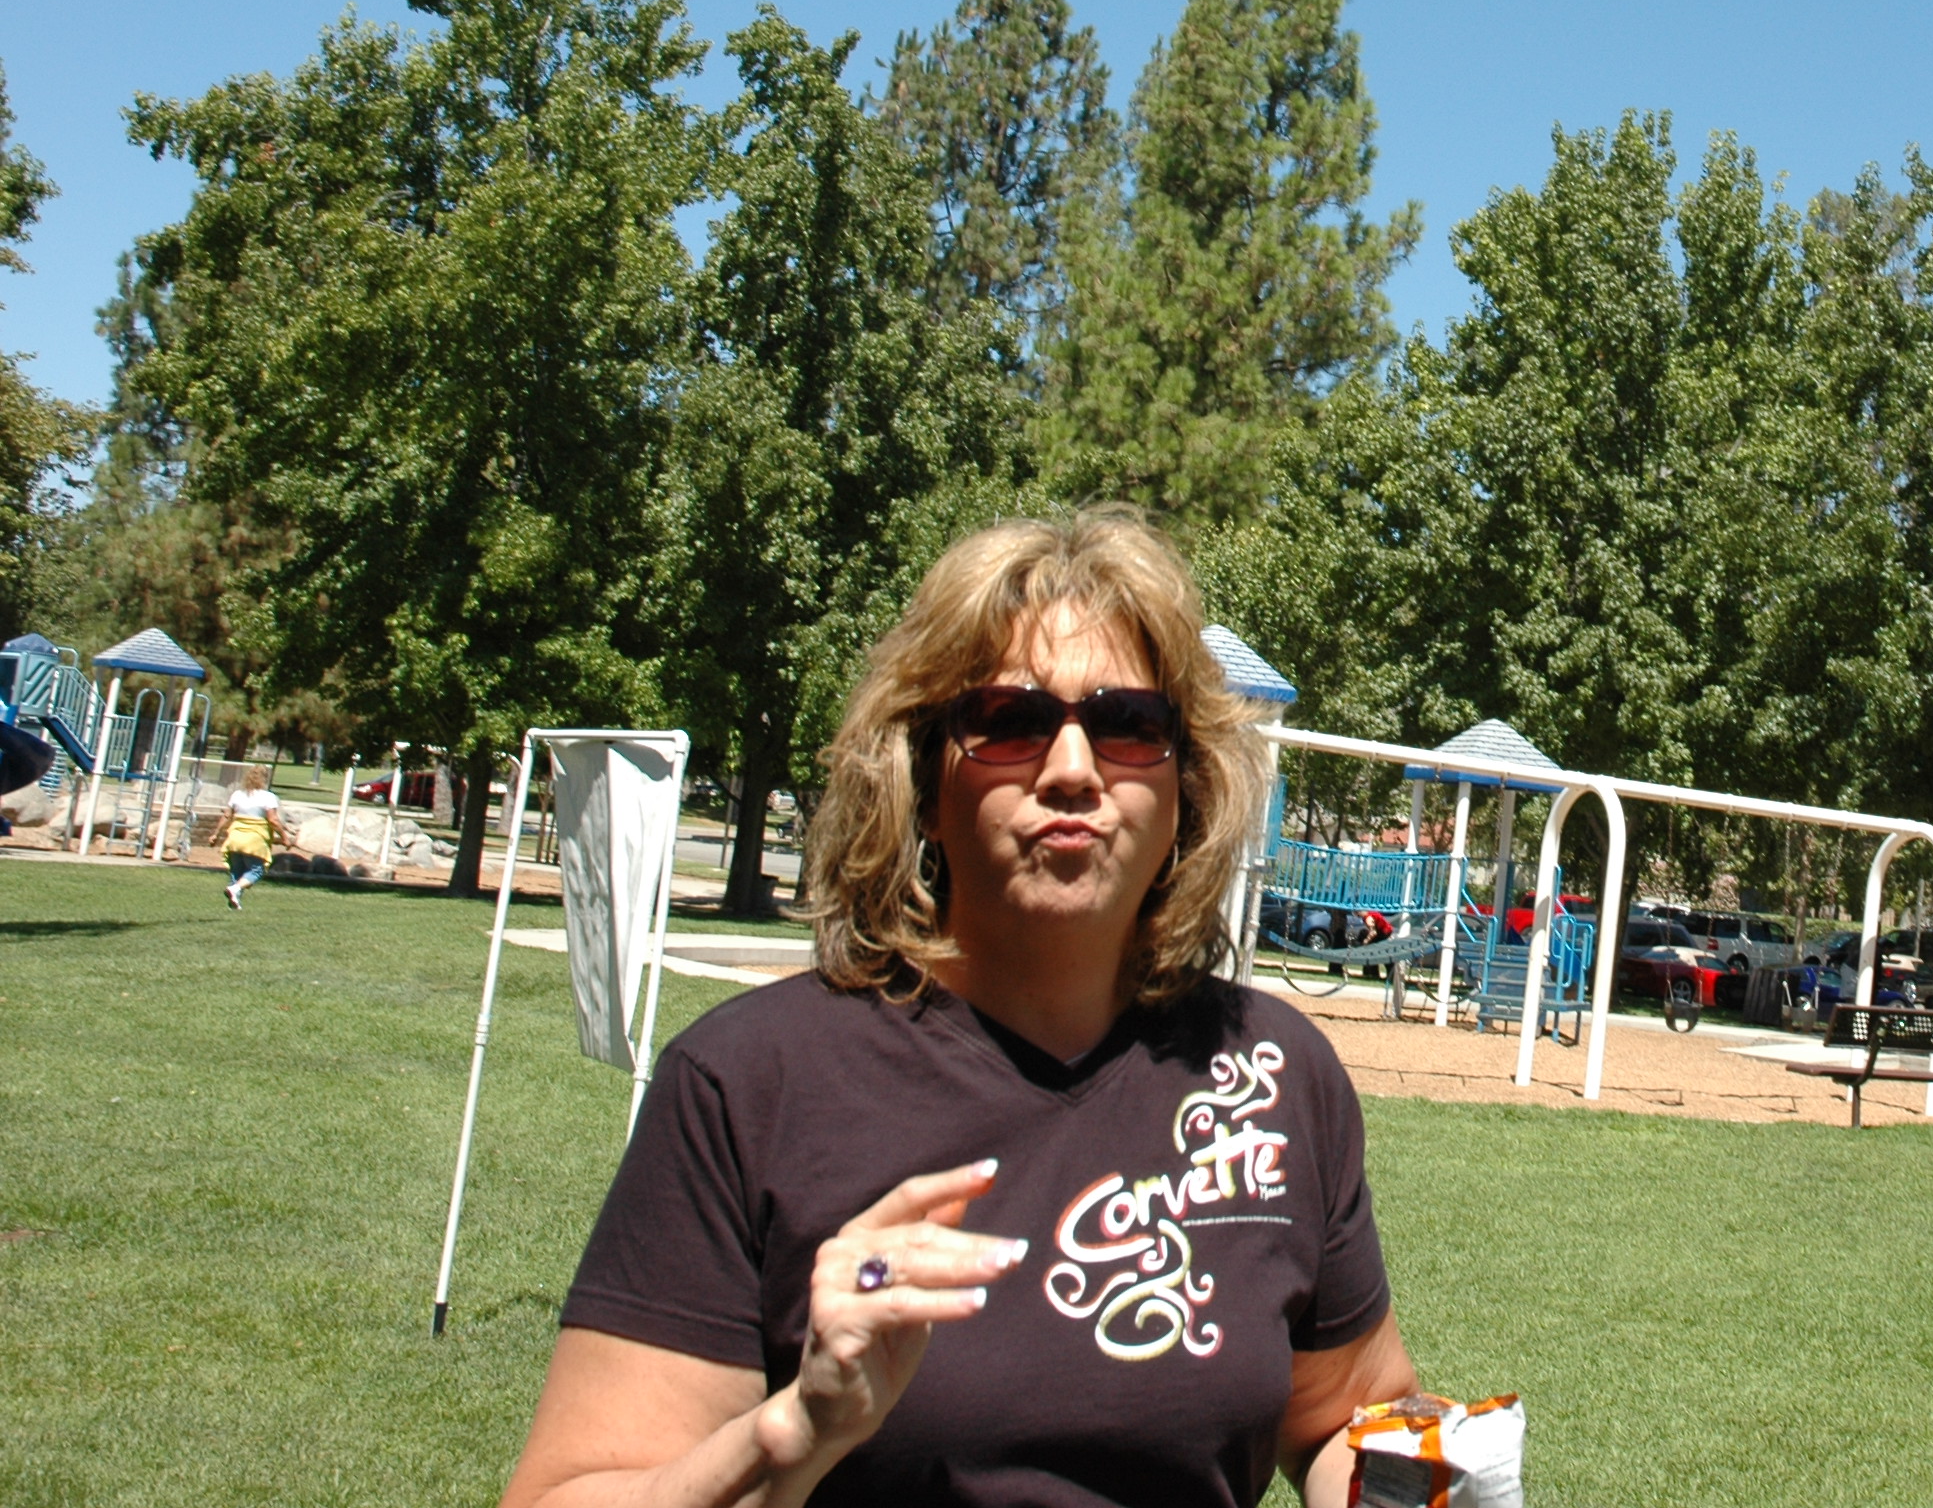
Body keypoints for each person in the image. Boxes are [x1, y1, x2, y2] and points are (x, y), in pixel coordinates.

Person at [502, 512, 1422, 1508]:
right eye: (1010, 721)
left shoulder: (1273, 1071)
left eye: (1127, 724)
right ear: (922, 782)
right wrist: (794, 1430)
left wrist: (1424, 1471)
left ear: (1183, 788)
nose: (1072, 769)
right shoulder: (748, 1085)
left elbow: (1350, 1417)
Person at [221, 765, 282, 909]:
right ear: (265, 779)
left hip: (235, 839)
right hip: (254, 840)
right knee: (257, 870)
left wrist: (215, 834)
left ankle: (234, 903)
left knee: (237, 872)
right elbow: (273, 820)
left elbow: (226, 816)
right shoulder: (268, 797)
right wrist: (284, 837)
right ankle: (235, 890)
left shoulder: (237, 795)